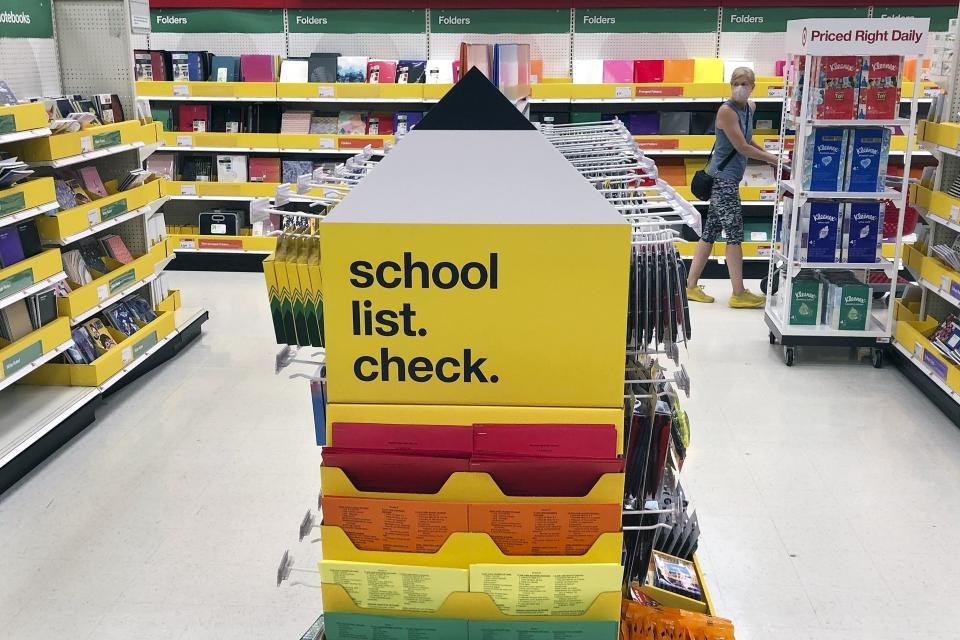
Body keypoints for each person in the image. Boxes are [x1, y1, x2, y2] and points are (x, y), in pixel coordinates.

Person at [685, 67, 779, 308]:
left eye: (745, 83)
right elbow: (743, 148)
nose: (740, 87)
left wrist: (769, 154)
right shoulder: (726, 111)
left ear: (753, 86)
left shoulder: (750, 108)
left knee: (709, 233)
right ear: (730, 84)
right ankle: (738, 292)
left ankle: (691, 286)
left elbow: (747, 139)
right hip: (722, 180)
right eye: (737, 82)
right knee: (735, 234)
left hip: (728, 179)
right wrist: (775, 160)